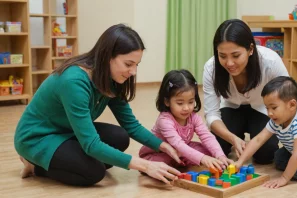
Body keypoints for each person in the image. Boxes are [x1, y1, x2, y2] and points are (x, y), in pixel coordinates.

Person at [14, 24, 182, 186]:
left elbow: (131, 125)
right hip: (37, 137)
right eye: (128, 64)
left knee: (120, 138)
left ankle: (69, 161)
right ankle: (35, 165)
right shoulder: (74, 81)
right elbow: (91, 144)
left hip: (67, 131)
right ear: (107, 57)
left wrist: (164, 146)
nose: (133, 72)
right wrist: (146, 165)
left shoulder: (113, 79)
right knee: (93, 172)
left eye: (136, 65)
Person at [203, 19, 289, 164]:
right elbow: (211, 115)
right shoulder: (211, 68)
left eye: (236, 55)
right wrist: (232, 138)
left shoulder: (270, 61)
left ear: (250, 49)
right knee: (215, 148)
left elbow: (287, 102)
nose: (229, 63)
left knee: (265, 155)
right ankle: (237, 139)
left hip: (263, 110)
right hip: (231, 108)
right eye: (222, 56)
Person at [139, 69, 235, 170]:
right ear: (167, 101)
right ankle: (178, 162)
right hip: (158, 153)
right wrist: (202, 158)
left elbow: (207, 136)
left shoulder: (194, 117)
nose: (186, 108)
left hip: (181, 150)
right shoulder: (164, 120)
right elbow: (179, 145)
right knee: (163, 161)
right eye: (180, 103)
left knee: (207, 151)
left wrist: (220, 156)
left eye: (190, 102)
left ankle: (181, 161)